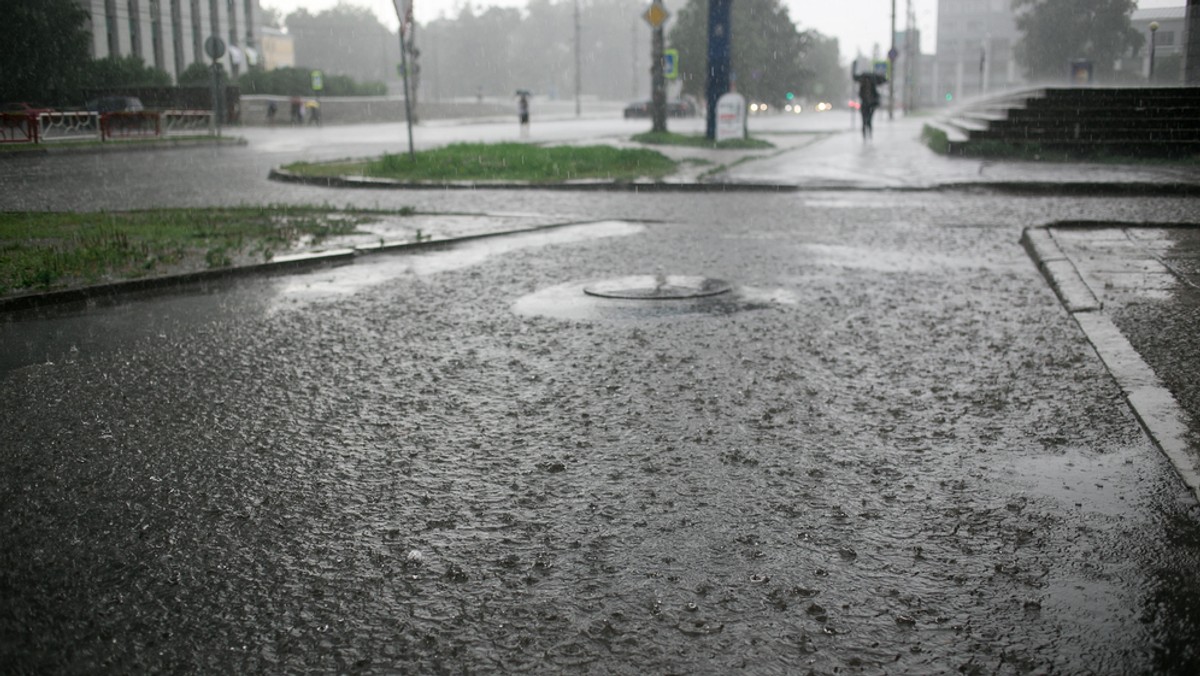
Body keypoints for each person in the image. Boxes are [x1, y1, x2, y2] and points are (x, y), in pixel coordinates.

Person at [856, 74, 880, 140]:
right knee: (864, 121)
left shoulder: (872, 88)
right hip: (865, 106)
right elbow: (860, 95)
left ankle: (869, 135)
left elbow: (876, 96)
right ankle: (865, 136)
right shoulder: (863, 87)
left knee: (869, 121)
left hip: (870, 106)